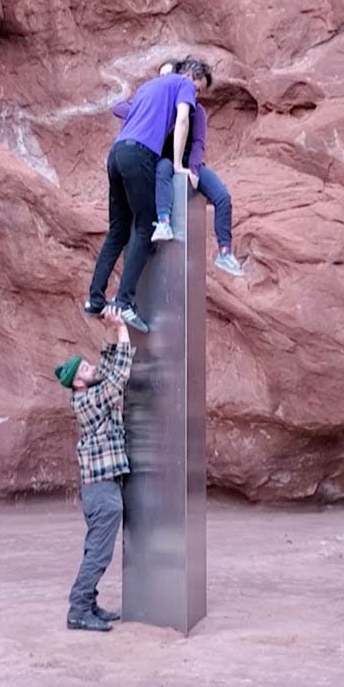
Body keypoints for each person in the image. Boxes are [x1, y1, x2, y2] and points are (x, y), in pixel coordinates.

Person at [86, 58, 212, 333]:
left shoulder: (148, 87)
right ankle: (124, 302)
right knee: (146, 226)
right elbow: (182, 121)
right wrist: (178, 164)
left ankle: (95, 299)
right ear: (191, 75)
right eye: (199, 88)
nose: (196, 94)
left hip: (117, 154)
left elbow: (122, 110)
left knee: (118, 231)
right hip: (140, 156)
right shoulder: (183, 84)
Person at [116, 59, 244, 277]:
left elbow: (198, 143)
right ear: (185, 78)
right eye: (195, 89)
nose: (195, 95)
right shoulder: (162, 102)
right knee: (163, 170)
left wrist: (193, 169)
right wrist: (154, 100)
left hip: (187, 163)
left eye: (198, 92)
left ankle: (225, 252)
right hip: (163, 161)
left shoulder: (197, 111)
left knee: (222, 197)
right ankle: (164, 222)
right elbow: (119, 108)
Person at [54, 306, 135, 632]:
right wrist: (125, 329)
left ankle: (88, 604)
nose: (91, 368)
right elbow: (117, 377)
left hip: (103, 487)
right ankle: (78, 610)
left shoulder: (90, 390)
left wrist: (112, 329)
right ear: (77, 383)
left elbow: (107, 364)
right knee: (98, 554)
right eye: (85, 369)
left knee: (96, 550)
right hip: (101, 490)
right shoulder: (87, 401)